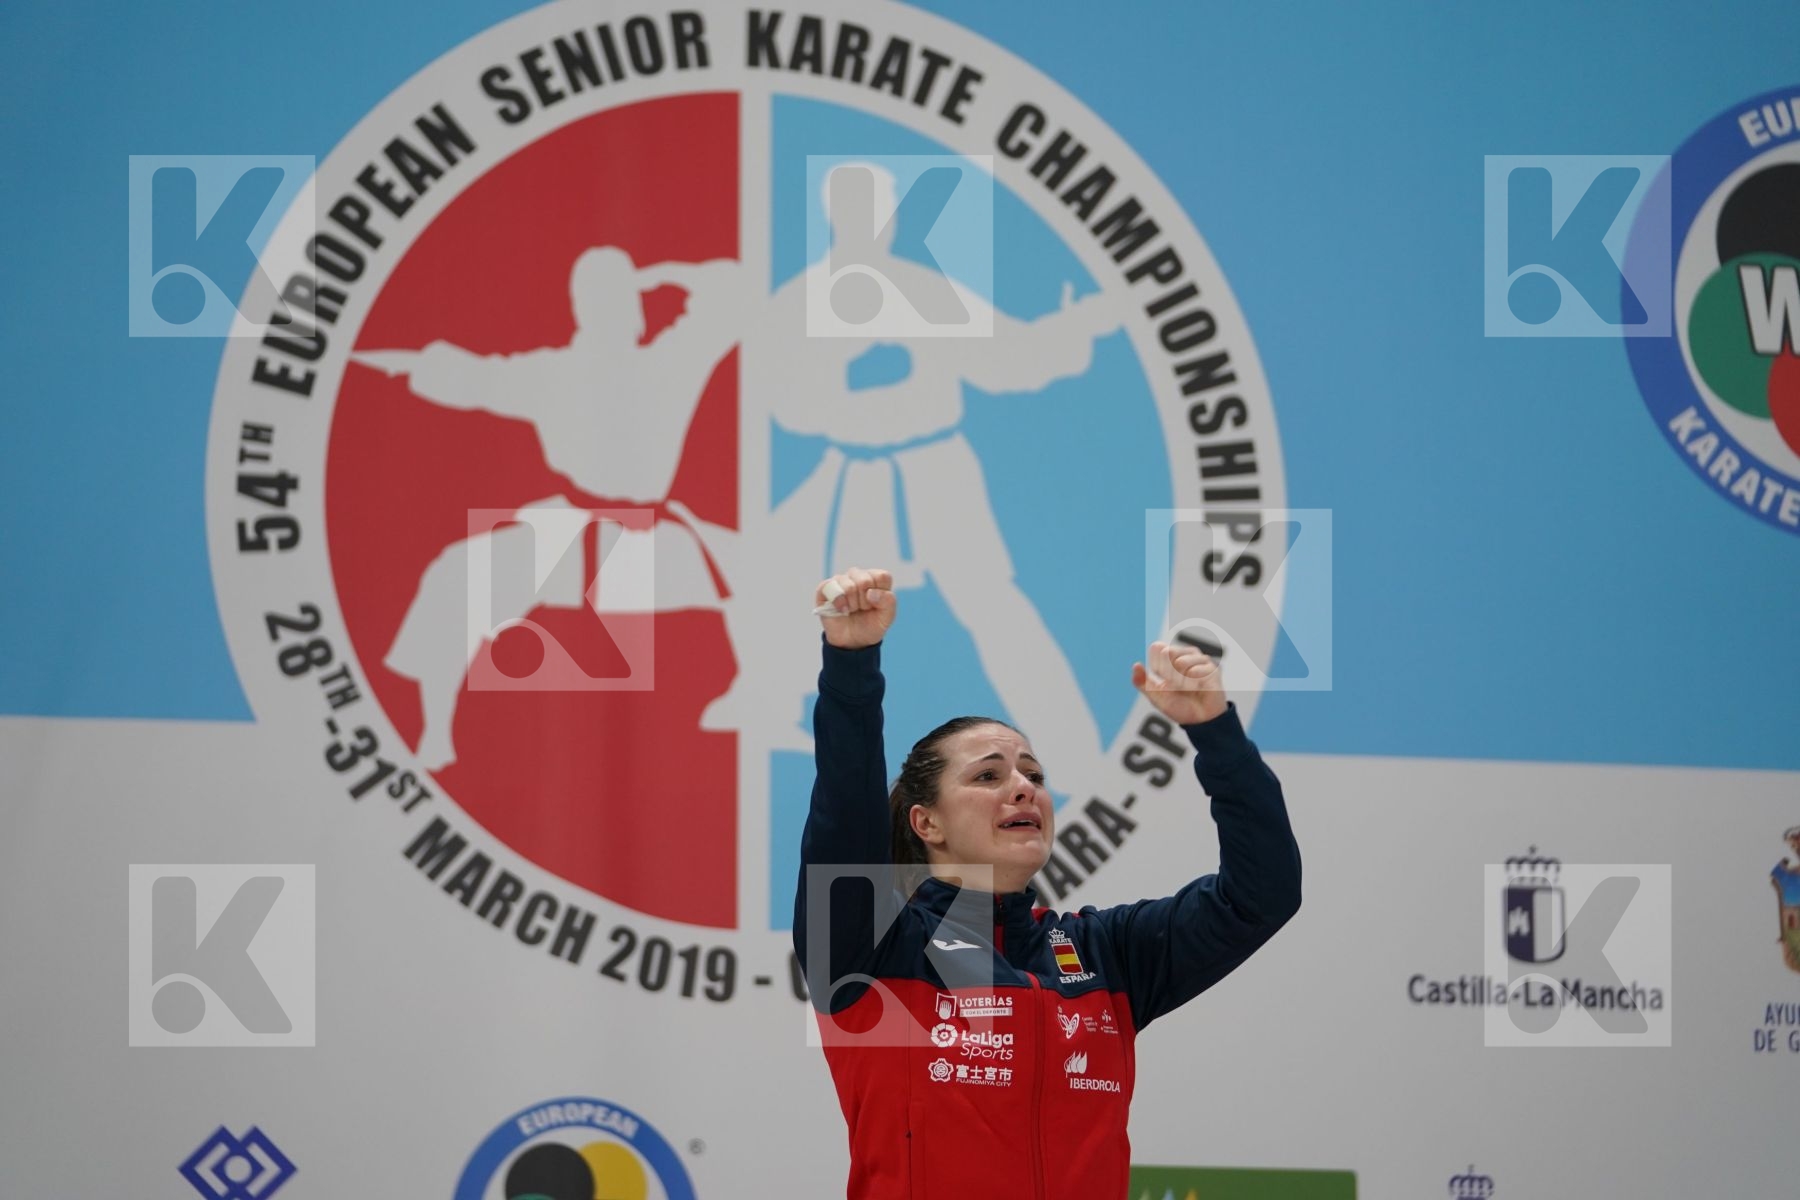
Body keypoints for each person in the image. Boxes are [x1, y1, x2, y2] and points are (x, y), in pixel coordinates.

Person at [792, 566, 1303, 1199]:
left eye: (1033, 774)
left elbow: (1263, 894)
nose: (1024, 787)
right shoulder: (869, 947)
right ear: (927, 822)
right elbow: (844, 811)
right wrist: (851, 665)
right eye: (988, 776)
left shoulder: (1105, 952)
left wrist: (1215, 732)